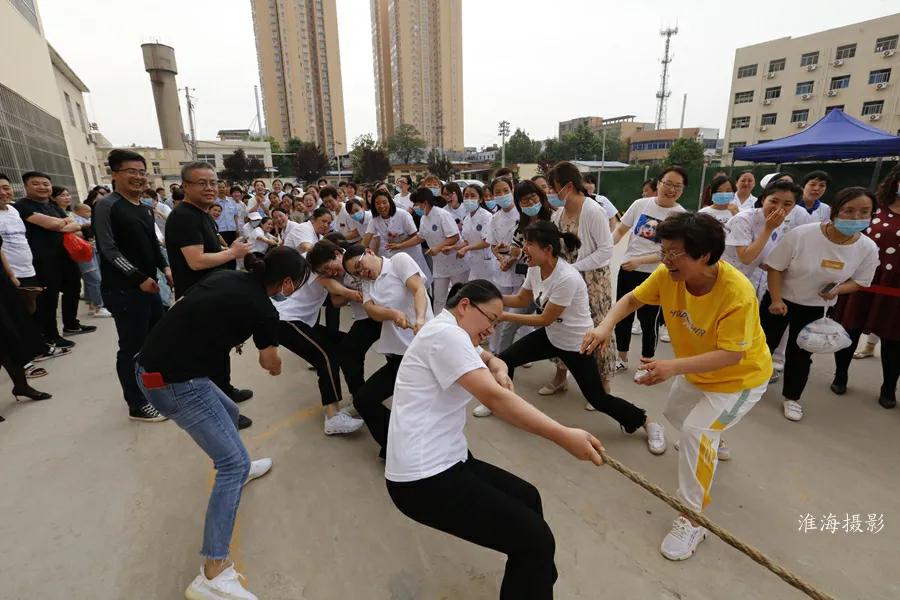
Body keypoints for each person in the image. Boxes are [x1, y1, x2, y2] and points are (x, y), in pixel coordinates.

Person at [386, 278, 605, 599]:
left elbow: (488, 357)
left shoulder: (451, 330)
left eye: (496, 323)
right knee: (536, 540)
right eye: (490, 319)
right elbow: (496, 399)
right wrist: (563, 436)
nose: (491, 330)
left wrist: (498, 367)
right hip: (424, 479)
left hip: (448, 459)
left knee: (528, 498)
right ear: (465, 306)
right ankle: (535, 573)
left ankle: (534, 579)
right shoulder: (445, 336)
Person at [582, 212, 772, 561]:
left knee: (696, 434)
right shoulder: (668, 275)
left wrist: (671, 368)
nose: (665, 260)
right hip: (697, 372)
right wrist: (605, 326)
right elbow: (632, 300)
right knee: (675, 414)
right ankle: (716, 437)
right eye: (663, 251)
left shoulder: (737, 293)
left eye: (674, 253)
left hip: (739, 380)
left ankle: (693, 519)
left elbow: (731, 355)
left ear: (704, 256)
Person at [135, 248, 302, 600]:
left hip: (151, 365)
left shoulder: (227, 277)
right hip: (175, 384)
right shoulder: (264, 309)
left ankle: (241, 470)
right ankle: (213, 573)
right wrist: (276, 364)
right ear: (287, 283)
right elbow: (269, 363)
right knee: (231, 464)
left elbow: (180, 305)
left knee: (228, 411)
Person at [498, 219, 659, 440]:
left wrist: (501, 315)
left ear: (547, 249)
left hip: (576, 344)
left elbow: (545, 319)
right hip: (552, 336)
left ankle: (644, 421)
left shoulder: (566, 277)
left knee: (597, 398)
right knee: (505, 360)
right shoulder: (535, 269)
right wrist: (492, 298)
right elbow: (521, 299)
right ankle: (502, 403)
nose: (524, 248)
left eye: (529, 244)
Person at [761, 187, 879, 422]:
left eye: (864, 212)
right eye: (848, 210)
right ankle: (749, 384)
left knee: (801, 354)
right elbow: (774, 267)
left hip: (816, 308)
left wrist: (838, 290)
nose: (855, 217)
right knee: (763, 345)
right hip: (780, 299)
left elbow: (860, 281)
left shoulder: (867, 247)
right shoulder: (803, 234)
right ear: (835, 211)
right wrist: (775, 299)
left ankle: (792, 397)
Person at [165, 162, 255, 415]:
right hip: (198, 298)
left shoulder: (203, 214)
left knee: (219, 350)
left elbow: (211, 249)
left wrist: (228, 250)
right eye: (201, 183)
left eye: (213, 182)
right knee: (207, 356)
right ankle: (221, 412)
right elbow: (196, 261)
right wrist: (232, 253)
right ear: (185, 186)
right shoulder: (184, 217)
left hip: (213, 295)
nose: (210, 188)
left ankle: (225, 391)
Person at [92, 150, 171, 421]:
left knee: (155, 342)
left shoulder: (144, 207)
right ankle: (136, 403)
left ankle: (154, 389)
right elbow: (108, 250)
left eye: (141, 172)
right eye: (131, 171)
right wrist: (138, 278)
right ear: (115, 174)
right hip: (124, 290)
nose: (138, 177)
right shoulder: (107, 206)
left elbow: (152, 245)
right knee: (132, 348)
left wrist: (165, 268)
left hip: (149, 286)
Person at [343, 244, 433, 457]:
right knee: (364, 400)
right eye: (356, 273)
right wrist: (393, 314)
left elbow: (418, 289)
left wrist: (420, 319)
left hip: (418, 353)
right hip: (396, 356)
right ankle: (395, 447)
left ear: (369, 252)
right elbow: (371, 310)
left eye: (360, 265)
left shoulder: (398, 261)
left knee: (415, 408)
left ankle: (413, 450)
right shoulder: (367, 282)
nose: (362, 273)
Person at [270, 248, 366, 435]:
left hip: (304, 321)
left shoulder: (343, 262)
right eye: (326, 269)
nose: (330, 272)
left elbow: (336, 301)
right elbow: (331, 286)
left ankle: (359, 397)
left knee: (347, 346)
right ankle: (332, 417)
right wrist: (358, 295)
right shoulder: (314, 261)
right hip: (286, 319)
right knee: (327, 357)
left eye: (331, 268)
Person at [545, 162, 616, 402]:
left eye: (553, 187)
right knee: (563, 325)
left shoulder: (593, 211)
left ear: (568, 186)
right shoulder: (558, 214)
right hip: (568, 281)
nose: (550, 193)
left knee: (597, 328)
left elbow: (606, 250)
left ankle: (603, 386)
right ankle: (560, 376)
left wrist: (574, 268)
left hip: (593, 281)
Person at [831, 170, 900, 409]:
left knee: (894, 340)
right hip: (861, 282)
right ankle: (840, 375)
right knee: (850, 330)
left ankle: (888, 387)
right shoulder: (873, 210)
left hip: (896, 292)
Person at [611, 167, 687, 372]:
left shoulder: (681, 216)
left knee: (648, 321)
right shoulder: (640, 204)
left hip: (656, 275)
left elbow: (673, 252)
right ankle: (621, 358)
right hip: (628, 270)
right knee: (623, 316)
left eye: (678, 186)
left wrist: (641, 261)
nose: (671, 189)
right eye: (668, 183)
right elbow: (620, 230)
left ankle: (647, 362)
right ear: (659, 183)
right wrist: (605, 248)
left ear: (682, 190)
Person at [15, 171, 94, 346]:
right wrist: (61, 224)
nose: (42, 187)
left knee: (73, 288)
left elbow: (73, 225)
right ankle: (50, 335)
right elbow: (55, 224)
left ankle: (71, 324)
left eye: (46, 184)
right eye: (36, 184)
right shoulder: (22, 206)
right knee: (48, 298)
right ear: (26, 186)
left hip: (64, 255)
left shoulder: (53, 206)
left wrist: (61, 225)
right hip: (43, 259)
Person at [391, 188, 467, 314]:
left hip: (456, 262)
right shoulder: (424, 219)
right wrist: (400, 245)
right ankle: (437, 322)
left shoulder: (442, 215)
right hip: (439, 265)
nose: (415, 207)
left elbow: (454, 237)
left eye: (416, 204)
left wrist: (438, 248)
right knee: (439, 299)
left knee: (459, 296)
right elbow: (420, 237)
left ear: (425, 203)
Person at [723, 180, 801, 299]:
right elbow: (746, 258)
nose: (778, 208)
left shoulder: (780, 225)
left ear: (794, 206)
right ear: (764, 199)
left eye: (787, 204)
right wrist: (768, 229)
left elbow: (765, 262)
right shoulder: (743, 219)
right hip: (724, 279)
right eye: (773, 201)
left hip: (745, 282)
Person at [487, 176, 528, 353]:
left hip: (520, 266)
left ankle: (523, 352)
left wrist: (510, 259)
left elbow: (526, 244)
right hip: (502, 269)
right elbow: (492, 244)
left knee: (521, 313)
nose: (502, 195)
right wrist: (501, 259)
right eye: (498, 192)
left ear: (512, 190)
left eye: (505, 190)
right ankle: (496, 349)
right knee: (498, 309)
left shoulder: (523, 215)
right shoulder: (494, 218)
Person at [362, 189, 431, 282]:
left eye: (384, 202)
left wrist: (399, 245)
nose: (381, 206)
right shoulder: (375, 220)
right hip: (395, 255)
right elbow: (366, 239)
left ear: (390, 202)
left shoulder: (403, 215)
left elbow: (416, 236)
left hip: (412, 254)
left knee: (420, 282)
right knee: (403, 284)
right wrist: (359, 254)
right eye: (377, 203)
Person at [70, 200, 111, 318]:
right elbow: (72, 233)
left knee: (91, 279)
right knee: (94, 279)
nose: (90, 213)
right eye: (87, 211)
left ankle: (92, 305)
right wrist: (83, 228)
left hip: (91, 250)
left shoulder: (82, 220)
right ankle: (99, 306)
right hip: (81, 252)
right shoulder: (74, 219)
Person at [456, 183, 498, 283]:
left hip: (487, 263)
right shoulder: (467, 218)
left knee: (486, 288)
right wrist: (452, 247)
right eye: (466, 196)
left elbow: (486, 242)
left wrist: (466, 249)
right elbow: (467, 241)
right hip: (474, 263)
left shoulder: (487, 216)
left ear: (480, 199)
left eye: (473, 196)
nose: (469, 199)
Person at [214, 180, 241, 247]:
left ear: (226, 188)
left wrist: (237, 229)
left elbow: (235, 216)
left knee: (232, 250)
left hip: (232, 230)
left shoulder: (232, 201)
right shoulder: (213, 202)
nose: (221, 189)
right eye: (219, 187)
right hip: (219, 231)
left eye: (223, 187)